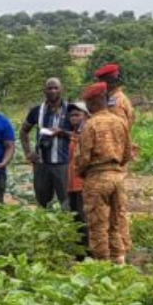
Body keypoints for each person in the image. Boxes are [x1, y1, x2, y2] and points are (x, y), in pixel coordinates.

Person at [74, 82, 132, 263]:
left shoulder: (90, 125)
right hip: (118, 177)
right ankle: (119, 261)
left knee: (98, 223)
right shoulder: (120, 122)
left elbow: (83, 158)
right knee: (116, 221)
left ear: (94, 101)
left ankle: (102, 264)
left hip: (97, 177)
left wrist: (80, 172)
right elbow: (127, 153)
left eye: (88, 103)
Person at [20, 78, 73, 209]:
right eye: (49, 88)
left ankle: (66, 222)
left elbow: (80, 134)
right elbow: (23, 131)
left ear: (61, 90)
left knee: (67, 203)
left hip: (63, 163)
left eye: (56, 88)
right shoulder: (37, 111)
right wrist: (28, 153)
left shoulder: (70, 110)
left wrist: (62, 132)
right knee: (43, 203)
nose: (53, 91)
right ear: (44, 91)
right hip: (41, 164)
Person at [65, 101, 90, 256]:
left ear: (86, 116)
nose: (73, 118)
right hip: (72, 184)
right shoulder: (73, 133)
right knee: (76, 218)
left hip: (82, 184)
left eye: (77, 115)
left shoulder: (87, 132)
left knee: (83, 218)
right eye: (72, 115)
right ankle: (80, 253)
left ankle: (88, 253)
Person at [93, 63, 135, 129]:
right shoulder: (111, 97)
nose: (97, 84)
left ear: (108, 82)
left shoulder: (117, 101)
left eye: (100, 81)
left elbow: (116, 127)